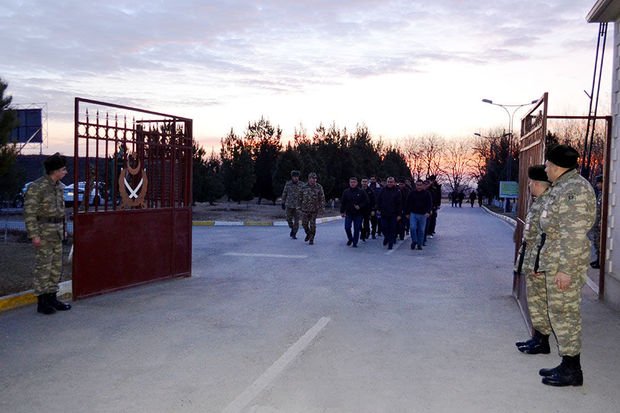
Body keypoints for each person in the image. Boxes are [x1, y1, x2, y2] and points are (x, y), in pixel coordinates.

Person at [536, 144, 596, 387]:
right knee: (560, 313)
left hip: (566, 261)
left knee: (565, 314)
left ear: (557, 166)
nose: (546, 170)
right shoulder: (563, 186)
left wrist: (565, 270)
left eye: (548, 165)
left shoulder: (574, 190)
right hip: (558, 257)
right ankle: (567, 363)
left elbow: (573, 234)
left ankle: (573, 370)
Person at [24, 153, 72, 315]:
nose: (65, 172)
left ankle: (52, 296)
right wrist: (34, 235)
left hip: (57, 232)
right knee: (43, 267)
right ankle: (42, 301)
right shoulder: (37, 187)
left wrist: (64, 228)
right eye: (63, 169)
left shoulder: (59, 187)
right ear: (55, 171)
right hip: (43, 232)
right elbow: (29, 213)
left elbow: (61, 211)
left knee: (55, 267)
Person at [514, 165, 552, 355]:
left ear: (537, 183)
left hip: (539, 261)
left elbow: (547, 237)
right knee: (535, 301)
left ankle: (542, 340)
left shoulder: (548, 204)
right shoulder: (538, 202)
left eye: (530, 182)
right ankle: (537, 339)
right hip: (532, 259)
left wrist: (540, 263)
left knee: (540, 301)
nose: (528, 186)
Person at [340, 177, 368, 247]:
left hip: (358, 214)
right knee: (347, 227)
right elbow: (343, 202)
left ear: (357, 183)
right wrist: (342, 212)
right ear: (349, 183)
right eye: (351, 182)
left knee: (357, 228)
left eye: (354, 182)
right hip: (349, 213)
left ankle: (355, 242)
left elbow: (366, 201)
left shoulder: (361, 191)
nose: (352, 184)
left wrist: (360, 206)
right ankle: (350, 238)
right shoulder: (346, 192)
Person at [405, 179, 433, 250]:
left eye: (420, 185)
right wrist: (407, 213)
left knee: (421, 230)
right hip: (413, 213)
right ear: (415, 185)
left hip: (423, 214)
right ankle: (414, 241)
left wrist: (428, 212)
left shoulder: (427, 194)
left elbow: (429, 204)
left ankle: (419, 244)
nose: (419, 187)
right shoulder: (412, 193)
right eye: (417, 185)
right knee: (412, 228)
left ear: (422, 185)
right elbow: (407, 203)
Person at [300, 172, 325, 245]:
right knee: (304, 224)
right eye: (312, 178)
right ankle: (308, 233)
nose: (313, 180)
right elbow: (300, 198)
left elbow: (322, 198)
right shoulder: (303, 187)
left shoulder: (319, 187)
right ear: (308, 179)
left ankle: (311, 238)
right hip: (305, 209)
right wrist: (298, 207)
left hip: (314, 209)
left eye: (315, 178)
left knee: (312, 224)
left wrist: (322, 208)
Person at [376, 176, 402, 250]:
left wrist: (399, 214)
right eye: (388, 182)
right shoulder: (382, 190)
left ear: (394, 183)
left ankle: (390, 243)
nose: (390, 183)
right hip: (384, 213)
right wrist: (378, 209)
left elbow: (399, 204)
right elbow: (379, 200)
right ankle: (386, 237)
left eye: (391, 182)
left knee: (392, 228)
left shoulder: (397, 191)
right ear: (386, 182)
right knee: (384, 227)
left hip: (393, 214)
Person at [281, 170, 303, 239]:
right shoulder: (288, 184)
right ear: (292, 177)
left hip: (298, 206)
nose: (296, 178)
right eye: (294, 177)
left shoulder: (302, 185)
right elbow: (284, 193)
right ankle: (292, 228)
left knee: (297, 221)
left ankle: (294, 233)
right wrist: (283, 202)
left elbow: (304, 195)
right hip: (289, 204)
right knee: (288, 219)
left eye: (297, 177)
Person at [588, 175, 603, 269]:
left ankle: (600, 262)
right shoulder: (600, 194)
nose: (597, 185)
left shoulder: (605, 195)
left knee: (599, 243)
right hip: (597, 223)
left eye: (598, 183)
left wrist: (601, 221)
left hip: (600, 223)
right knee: (596, 242)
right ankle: (598, 260)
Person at [360, 178, 376, 242]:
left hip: (368, 209)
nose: (364, 183)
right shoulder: (359, 190)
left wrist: (373, 209)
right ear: (361, 182)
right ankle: (363, 232)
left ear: (368, 182)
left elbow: (373, 201)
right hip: (359, 209)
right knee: (358, 223)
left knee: (366, 223)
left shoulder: (371, 191)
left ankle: (366, 232)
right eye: (363, 181)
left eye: (365, 181)